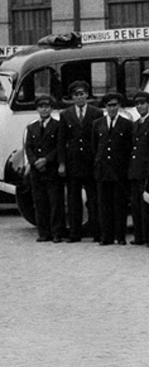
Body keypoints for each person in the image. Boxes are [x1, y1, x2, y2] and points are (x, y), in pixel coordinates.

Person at [57, 80, 102, 242]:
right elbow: (61, 141)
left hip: (90, 162)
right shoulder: (65, 115)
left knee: (93, 198)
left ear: (87, 95)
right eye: (76, 95)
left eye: (82, 94)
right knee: (74, 200)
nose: (80, 97)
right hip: (73, 163)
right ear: (72, 97)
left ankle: (97, 232)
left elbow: (100, 138)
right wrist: (62, 163)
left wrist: (98, 160)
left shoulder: (96, 113)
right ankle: (75, 233)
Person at [92, 91, 133, 245]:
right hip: (102, 171)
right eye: (109, 106)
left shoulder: (127, 124)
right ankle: (106, 236)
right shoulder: (97, 124)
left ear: (119, 106)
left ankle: (120, 236)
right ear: (105, 107)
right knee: (104, 206)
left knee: (120, 205)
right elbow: (94, 147)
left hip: (119, 171)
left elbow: (129, 148)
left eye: (115, 105)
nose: (112, 109)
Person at [25, 94, 64, 242]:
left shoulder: (57, 125)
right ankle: (44, 233)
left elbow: (59, 147)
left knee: (55, 203)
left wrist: (46, 160)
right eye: (41, 107)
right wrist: (35, 162)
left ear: (51, 109)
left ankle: (56, 233)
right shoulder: (32, 127)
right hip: (37, 171)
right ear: (37, 109)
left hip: (51, 169)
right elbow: (28, 147)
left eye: (47, 107)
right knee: (40, 203)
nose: (44, 110)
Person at [127, 90, 149, 247]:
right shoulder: (135, 125)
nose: (140, 107)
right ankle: (139, 236)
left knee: (148, 206)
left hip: (147, 170)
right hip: (135, 170)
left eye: (142, 103)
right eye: (137, 104)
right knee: (136, 205)